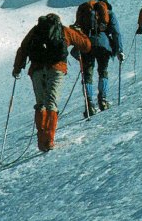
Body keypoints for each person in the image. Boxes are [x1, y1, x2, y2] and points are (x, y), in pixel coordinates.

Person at [12, 13, 91, 152]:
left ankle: (42, 141)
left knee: (40, 104)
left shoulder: (36, 30)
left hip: (36, 69)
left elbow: (23, 48)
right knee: (51, 103)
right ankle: (49, 140)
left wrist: (17, 68)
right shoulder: (63, 30)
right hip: (56, 68)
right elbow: (86, 46)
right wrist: (80, 33)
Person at [74, 0, 124, 117]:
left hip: (87, 46)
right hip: (103, 45)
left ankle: (89, 105)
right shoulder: (109, 13)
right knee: (103, 71)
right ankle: (103, 100)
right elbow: (116, 32)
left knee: (87, 75)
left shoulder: (84, 13)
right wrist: (119, 50)